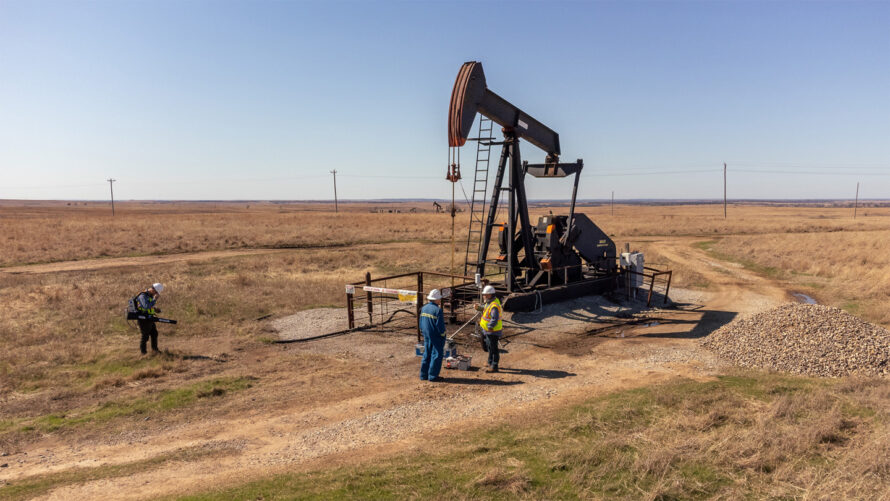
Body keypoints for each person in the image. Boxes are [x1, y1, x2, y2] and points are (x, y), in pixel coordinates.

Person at [419, 289, 447, 382]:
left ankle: (423, 375)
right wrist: (443, 335)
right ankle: (433, 376)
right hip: (436, 335)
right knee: (436, 355)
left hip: (426, 334)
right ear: (436, 299)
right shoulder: (438, 310)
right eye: (439, 299)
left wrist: (422, 330)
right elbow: (440, 325)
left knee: (427, 353)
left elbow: (421, 321)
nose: (440, 300)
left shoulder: (424, 308)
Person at [475, 285, 503, 373]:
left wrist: (490, 327)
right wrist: (478, 308)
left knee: (494, 348)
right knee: (490, 347)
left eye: (485, 294)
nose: (483, 296)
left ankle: (494, 366)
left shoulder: (494, 305)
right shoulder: (489, 302)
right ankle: (489, 361)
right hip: (487, 330)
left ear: (490, 295)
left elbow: (494, 318)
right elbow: (485, 309)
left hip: (492, 331)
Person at [134, 283, 165, 355]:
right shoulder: (143, 296)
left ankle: (155, 350)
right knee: (145, 336)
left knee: (154, 333)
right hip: (143, 319)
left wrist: (155, 309)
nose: (156, 294)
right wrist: (154, 299)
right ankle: (143, 353)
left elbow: (148, 306)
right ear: (153, 289)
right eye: (156, 292)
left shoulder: (149, 295)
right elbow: (146, 307)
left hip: (149, 318)